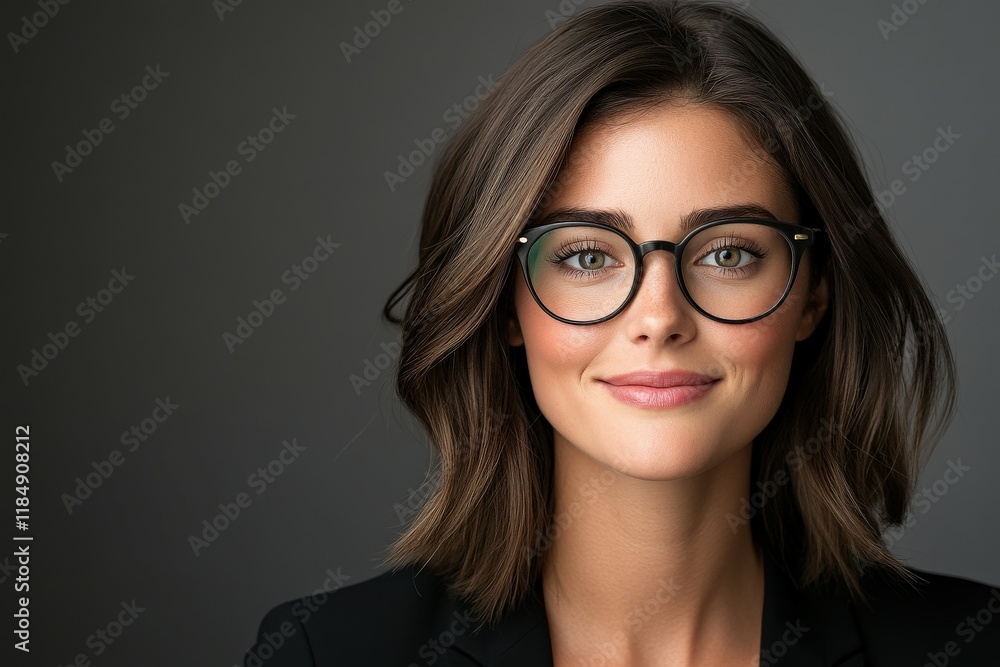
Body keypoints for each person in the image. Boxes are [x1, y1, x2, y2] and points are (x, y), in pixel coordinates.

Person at [244, 1, 1000, 664]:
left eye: (728, 254)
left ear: (813, 295)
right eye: (586, 256)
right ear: (505, 303)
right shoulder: (326, 654)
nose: (660, 317)